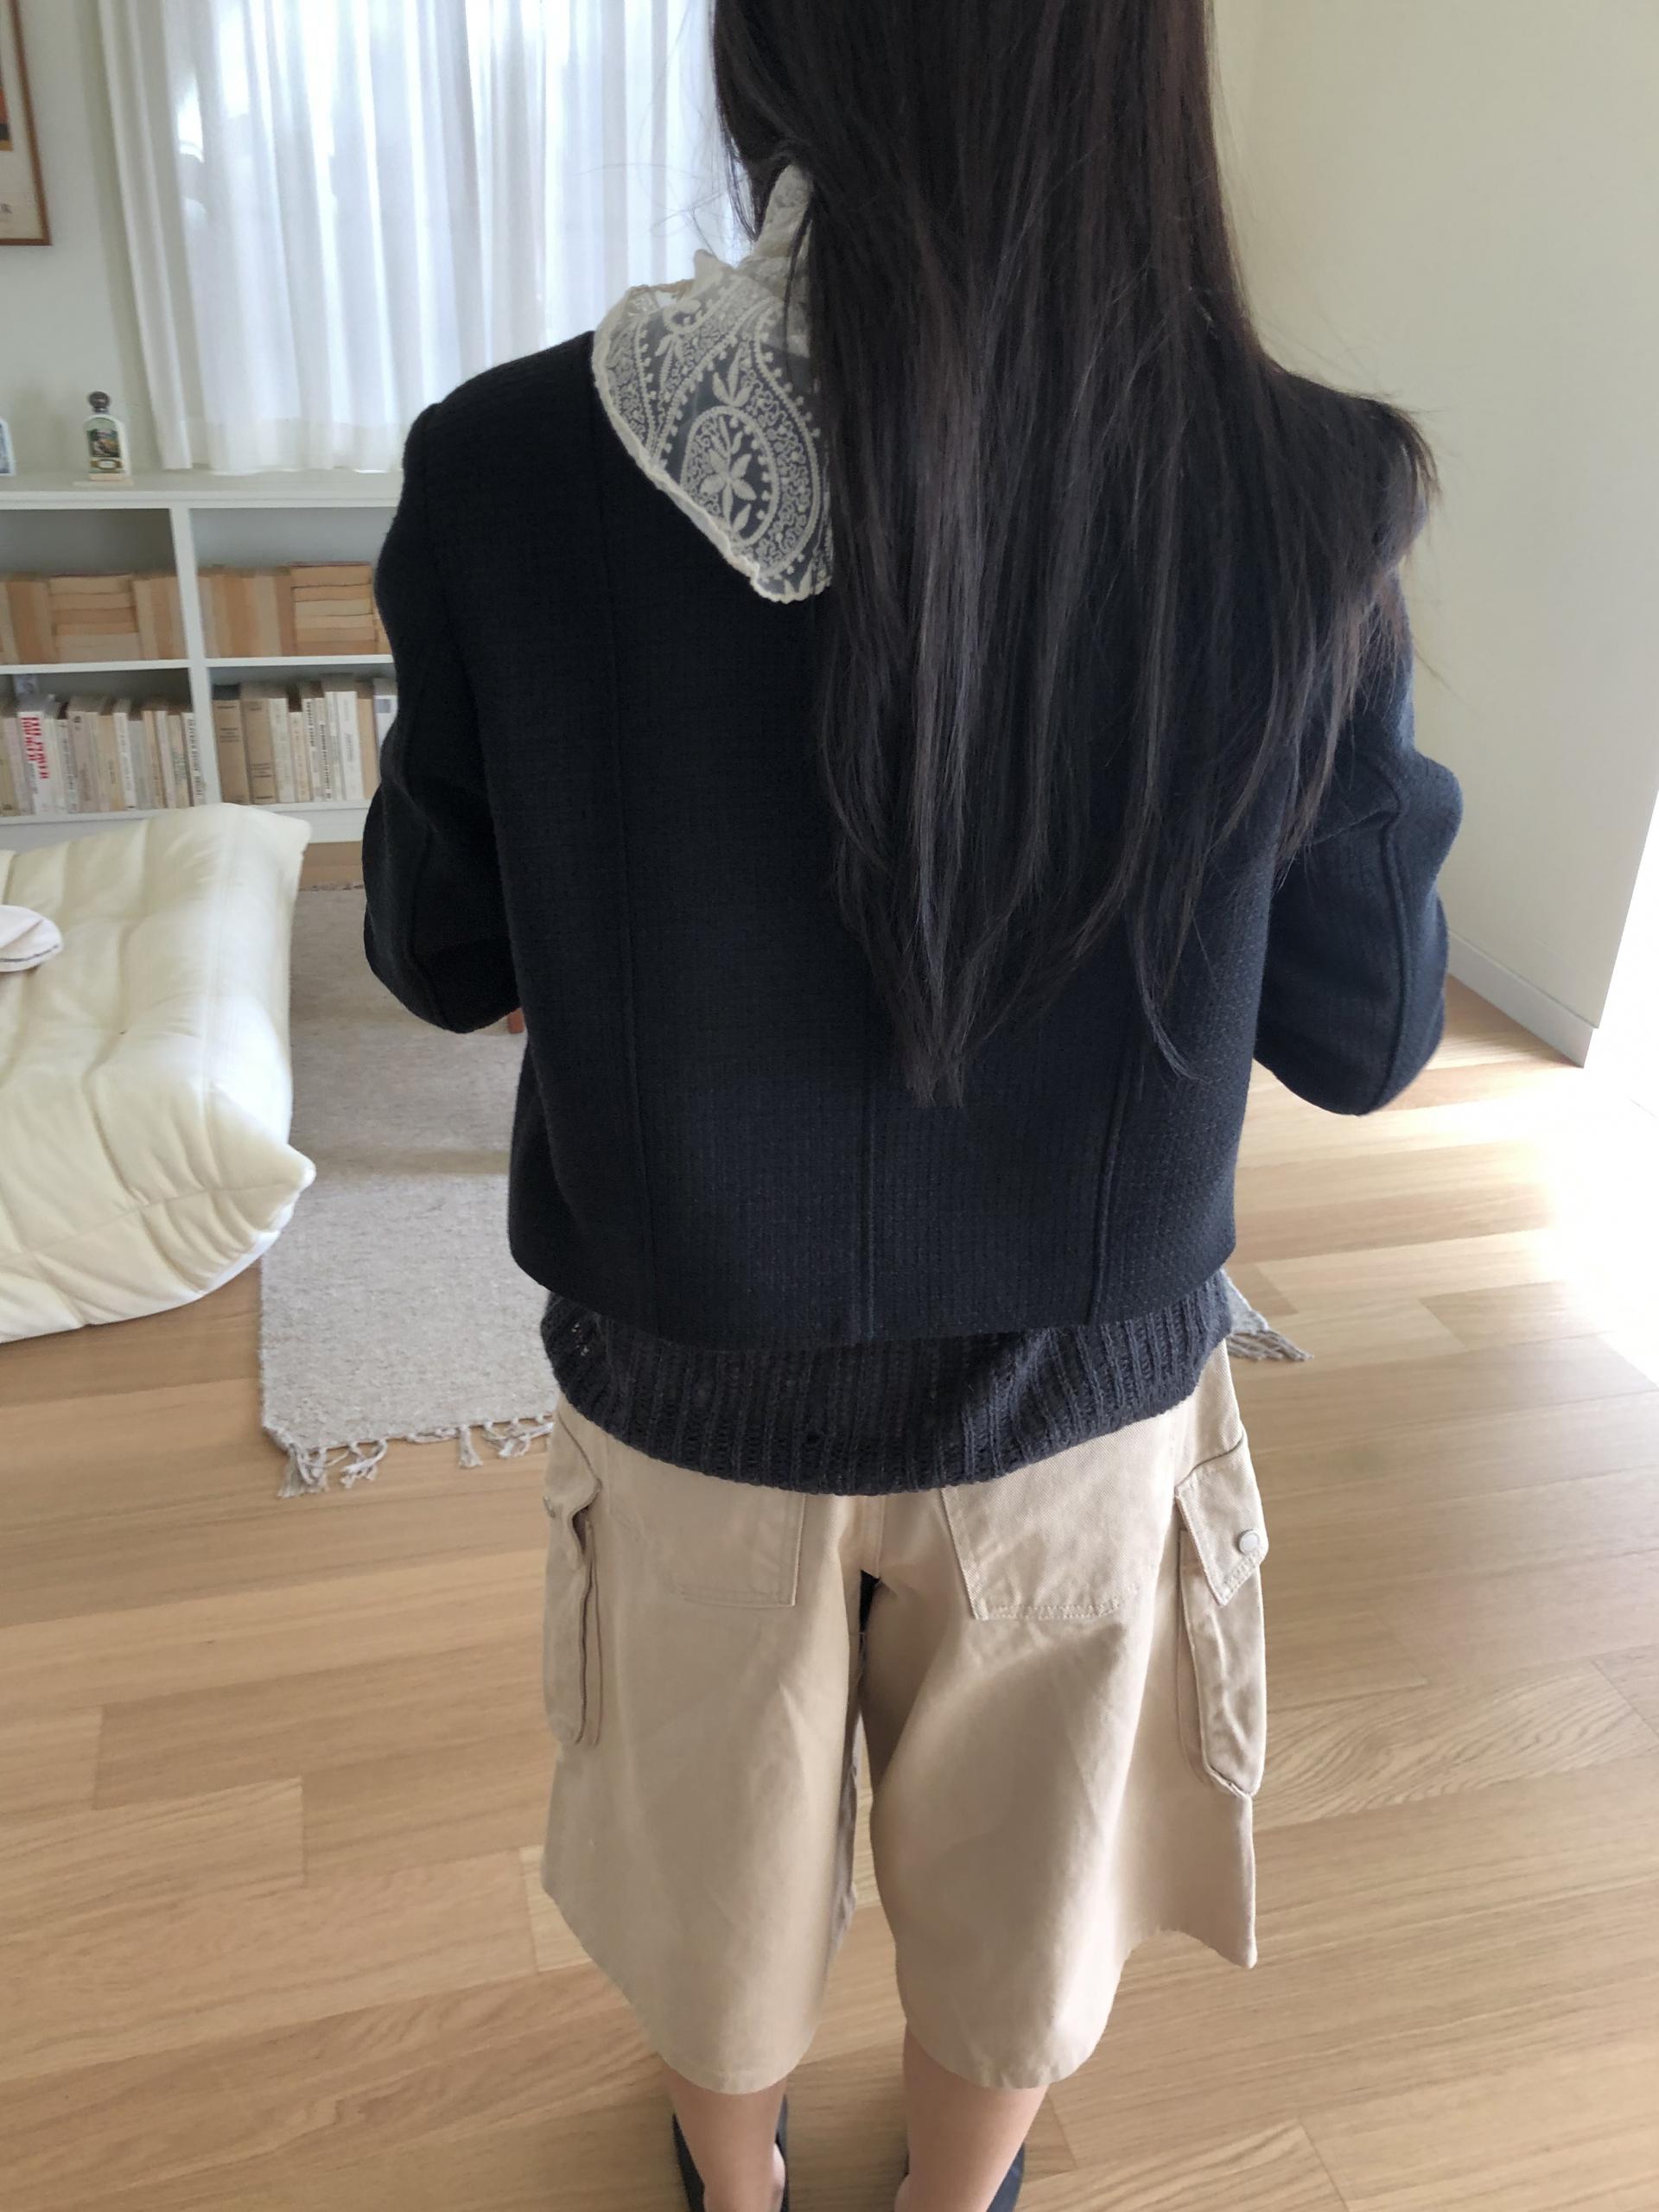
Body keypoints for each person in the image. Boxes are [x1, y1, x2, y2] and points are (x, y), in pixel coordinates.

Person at [362, 2, 1462, 2206]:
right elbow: (1368, 1031)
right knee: (1026, 1897)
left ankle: (735, 2180)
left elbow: (438, 950)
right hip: (1081, 1391)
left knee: (708, 1874)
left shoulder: (503, 467)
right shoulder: (1311, 490)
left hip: (686, 1375)